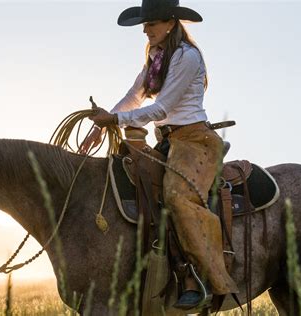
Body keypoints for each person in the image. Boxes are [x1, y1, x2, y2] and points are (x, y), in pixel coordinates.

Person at [79, 0, 239, 310]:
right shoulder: (157, 57)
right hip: (168, 142)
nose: (144, 29)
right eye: (144, 23)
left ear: (169, 23)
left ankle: (200, 276)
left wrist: (114, 121)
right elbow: (134, 96)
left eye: (151, 23)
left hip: (195, 142)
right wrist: (103, 126)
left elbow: (161, 108)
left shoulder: (187, 57)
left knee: (178, 197)